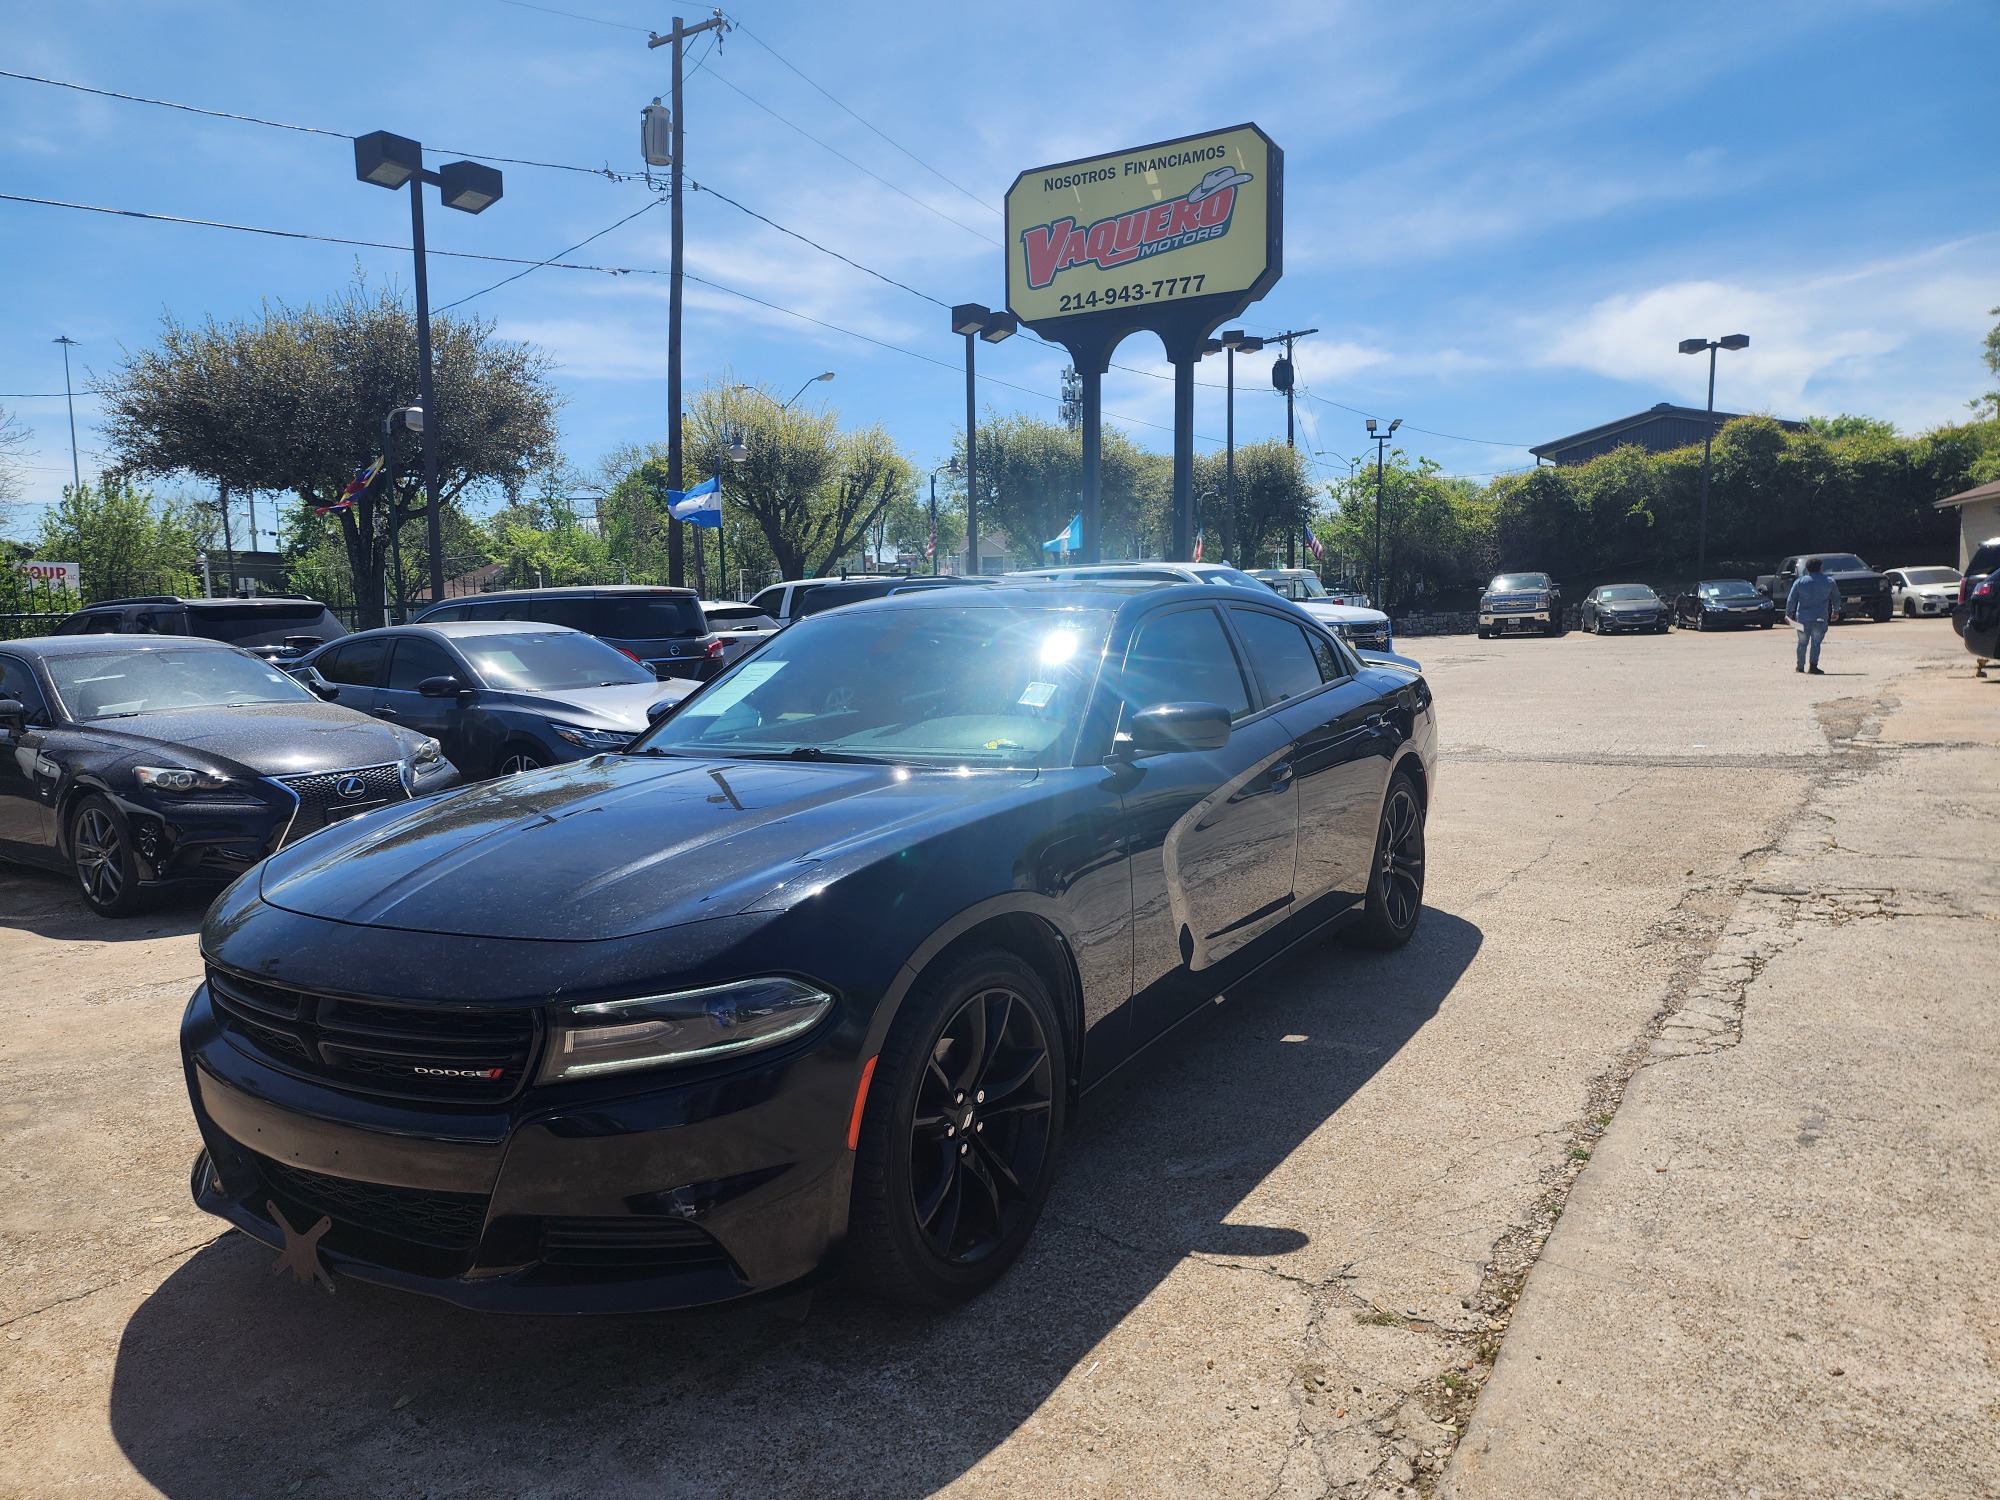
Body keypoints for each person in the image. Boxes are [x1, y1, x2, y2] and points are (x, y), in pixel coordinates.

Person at [1786, 557, 1841, 674]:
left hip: (1802, 617)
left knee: (1802, 643)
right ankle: (1813, 666)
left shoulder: (1799, 582)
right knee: (1816, 643)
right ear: (1821, 568)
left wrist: (1789, 614)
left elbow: (1791, 599)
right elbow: (1836, 598)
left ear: (1807, 569)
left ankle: (1800, 666)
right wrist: (1836, 611)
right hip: (1820, 617)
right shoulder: (1829, 582)